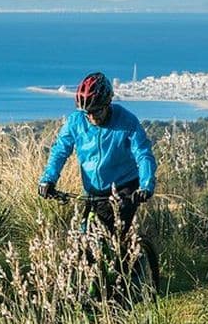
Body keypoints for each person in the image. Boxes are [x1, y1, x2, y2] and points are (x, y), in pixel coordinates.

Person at [38, 72, 157, 237]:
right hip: (94, 191)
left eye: (96, 111)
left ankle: (131, 261)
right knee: (85, 240)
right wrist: (48, 180)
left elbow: (143, 154)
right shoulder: (75, 122)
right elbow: (60, 151)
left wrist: (146, 186)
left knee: (114, 236)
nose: (92, 117)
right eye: (87, 112)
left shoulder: (127, 121)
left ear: (108, 103)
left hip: (125, 187)